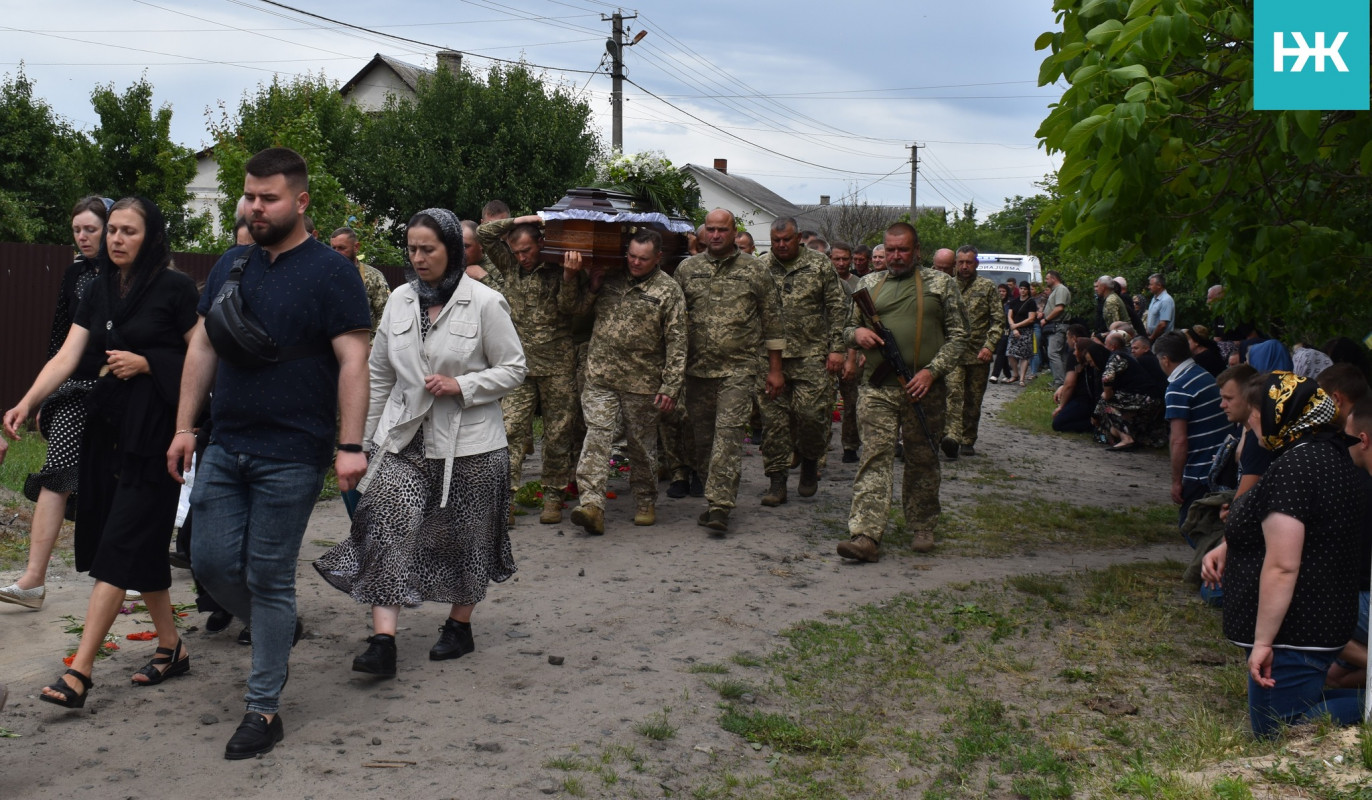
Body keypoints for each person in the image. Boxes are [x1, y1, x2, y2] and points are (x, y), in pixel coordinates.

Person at [167, 147, 372, 760]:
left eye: (269, 198)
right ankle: (276, 625)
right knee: (208, 563)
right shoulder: (232, 263)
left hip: (292, 448)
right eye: (250, 197)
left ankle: (264, 708)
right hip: (226, 442)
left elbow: (353, 361)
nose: (255, 208)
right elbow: (202, 350)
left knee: (267, 573)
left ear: (301, 201)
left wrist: (350, 444)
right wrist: (184, 427)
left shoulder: (334, 273)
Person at [4, 197, 199, 707]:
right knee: (139, 545)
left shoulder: (176, 289)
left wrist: (151, 363)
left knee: (118, 547)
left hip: (155, 433)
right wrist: (26, 402)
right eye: (112, 230)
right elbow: (69, 354)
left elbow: (201, 359)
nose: (115, 239)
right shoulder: (96, 289)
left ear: (151, 236)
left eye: (127, 232)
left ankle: (79, 671)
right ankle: (171, 646)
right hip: (107, 426)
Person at [315, 208, 525, 677]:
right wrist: (362, 443)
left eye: (427, 248)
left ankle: (458, 625)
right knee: (383, 519)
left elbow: (514, 368)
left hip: (470, 442)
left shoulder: (486, 302)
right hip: (406, 437)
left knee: (468, 536)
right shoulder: (400, 301)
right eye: (412, 248)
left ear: (450, 248)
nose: (418, 257)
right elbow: (380, 375)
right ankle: (383, 640)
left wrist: (464, 387)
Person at [1205, 372, 1367, 737]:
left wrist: (1263, 642)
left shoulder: (1297, 467)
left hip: (1296, 630)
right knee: (1283, 717)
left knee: (1278, 728)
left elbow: (1282, 564)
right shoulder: (1329, 455)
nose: (1250, 419)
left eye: (1256, 411)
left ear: (1283, 412)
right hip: (1317, 620)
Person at [1, 196, 109, 610]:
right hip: (75, 388)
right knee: (56, 472)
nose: (83, 237)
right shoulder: (73, 275)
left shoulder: (135, 275)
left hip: (121, 390)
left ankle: (125, 572)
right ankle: (32, 581)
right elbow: (59, 342)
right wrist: (44, 396)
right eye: (77, 230)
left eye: (91, 229)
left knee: (114, 477)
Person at [837, 222, 969, 561]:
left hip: (924, 388)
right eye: (890, 250)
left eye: (903, 250)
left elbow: (959, 338)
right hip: (878, 388)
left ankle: (923, 524)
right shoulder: (867, 284)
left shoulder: (941, 284)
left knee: (922, 457)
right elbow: (846, 327)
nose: (895, 256)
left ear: (917, 251)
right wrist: (858, 337)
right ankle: (866, 534)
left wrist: (931, 371)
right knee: (875, 456)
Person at [563, 230, 686, 535]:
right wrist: (590, 286)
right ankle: (592, 505)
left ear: (658, 258)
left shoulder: (669, 291)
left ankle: (645, 500)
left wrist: (670, 387)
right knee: (597, 437)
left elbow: (678, 342)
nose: (635, 262)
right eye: (631, 256)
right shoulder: (610, 277)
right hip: (600, 376)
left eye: (643, 259)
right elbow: (575, 310)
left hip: (642, 382)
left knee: (641, 446)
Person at [674, 208, 785, 533]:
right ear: (704, 232)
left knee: (728, 438)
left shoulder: (754, 270)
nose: (716, 235)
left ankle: (720, 505)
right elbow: (674, 320)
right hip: (696, 373)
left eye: (722, 229)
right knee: (704, 442)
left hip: (737, 371)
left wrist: (775, 370)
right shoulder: (687, 269)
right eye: (710, 229)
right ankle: (714, 493)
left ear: (734, 231)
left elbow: (772, 320)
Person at [477, 215, 583, 525]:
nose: (522, 257)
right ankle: (505, 499)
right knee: (510, 430)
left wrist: (567, 277)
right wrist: (524, 219)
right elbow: (484, 234)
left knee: (558, 433)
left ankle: (553, 496)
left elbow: (571, 309)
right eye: (517, 251)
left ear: (541, 243)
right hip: (518, 366)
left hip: (557, 364)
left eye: (527, 250)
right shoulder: (509, 265)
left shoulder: (559, 267)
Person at [755, 217, 846, 506]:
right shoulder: (760, 266)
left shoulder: (819, 265)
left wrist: (837, 349)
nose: (781, 245)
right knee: (774, 423)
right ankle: (777, 482)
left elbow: (836, 306)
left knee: (811, 417)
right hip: (770, 358)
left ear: (799, 238)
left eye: (787, 240)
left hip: (811, 355)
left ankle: (808, 462)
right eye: (776, 240)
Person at [1154, 332, 1233, 525]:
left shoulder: (1178, 387)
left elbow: (1178, 439)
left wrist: (1177, 481)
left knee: (1190, 524)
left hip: (1201, 469)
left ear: (1165, 359)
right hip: (1221, 460)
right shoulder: (1202, 374)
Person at [941, 245, 1003, 459]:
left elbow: (998, 320)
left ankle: (968, 438)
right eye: (961, 262)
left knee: (973, 400)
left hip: (978, 354)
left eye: (969, 262)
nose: (964, 266)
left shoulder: (987, 287)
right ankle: (952, 436)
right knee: (953, 394)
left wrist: (990, 345)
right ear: (955, 263)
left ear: (976, 263)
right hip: (954, 353)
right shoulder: (948, 285)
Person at [1096, 331, 1163, 451]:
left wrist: (1107, 393)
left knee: (1105, 401)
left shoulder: (1117, 356)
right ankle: (1128, 436)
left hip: (1144, 397)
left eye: (1105, 345)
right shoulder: (1132, 358)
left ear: (1112, 346)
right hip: (1156, 399)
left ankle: (1125, 438)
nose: (1133, 350)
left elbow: (1107, 377)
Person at [330, 226, 391, 338]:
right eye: (333, 248)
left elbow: (386, 313)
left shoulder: (373, 276)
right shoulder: (325, 275)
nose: (336, 253)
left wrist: (373, 345)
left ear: (356, 247)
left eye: (342, 248)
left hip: (365, 346)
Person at [1051, 325, 1099, 433]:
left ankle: (1093, 424)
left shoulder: (1076, 353)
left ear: (1073, 338)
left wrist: (1061, 406)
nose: (1067, 341)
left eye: (1067, 338)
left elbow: (1070, 383)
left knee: (1058, 423)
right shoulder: (1091, 348)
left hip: (1084, 399)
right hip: (1092, 398)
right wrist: (1062, 387)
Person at [1040, 270, 1071, 385]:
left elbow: (1059, 308)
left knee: (1053, 353)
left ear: (1053, 278)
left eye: (1047, 278)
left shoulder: (1061, 289)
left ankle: (1059, 382)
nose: (1045, 280)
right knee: (1059, 354)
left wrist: (1046, 319)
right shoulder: (1055, 291)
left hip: (1058, 325)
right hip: (1055, 325)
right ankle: (1062, 380)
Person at [1005, 281, 1038, 387]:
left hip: (1026, 331)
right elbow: (1009, 315)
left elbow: (1031, 318)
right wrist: (1013, 327)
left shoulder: (1031, 302)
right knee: (1010, 352)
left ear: (1028, 290)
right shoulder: (1014, 301)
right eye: (1021, 288)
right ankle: (1015, 374)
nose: (1022, 291)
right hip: (1014, 330)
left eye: (1025, 289)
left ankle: (1022, 378)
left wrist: (1017, 325)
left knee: (1024, 355)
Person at [989, 283, 1014, 384]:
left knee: (1000, 350)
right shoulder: (993, 302)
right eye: (999, 291)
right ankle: (1008, 375)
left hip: (1006, 330)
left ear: (1007, 292)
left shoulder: (1010, 303)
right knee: (1002, 352)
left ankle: (995, 374)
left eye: (1003, 291)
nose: (1001, 293)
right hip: (994, 329)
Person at [1145, 272, 1175, 342]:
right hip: (1153, 338)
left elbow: (1162, 325)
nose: (1149, 287)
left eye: (1151, 285)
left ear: (1159, 285)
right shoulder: (1154, 298)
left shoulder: (1166, 300)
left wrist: (1152, 337)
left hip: (1161, 340)